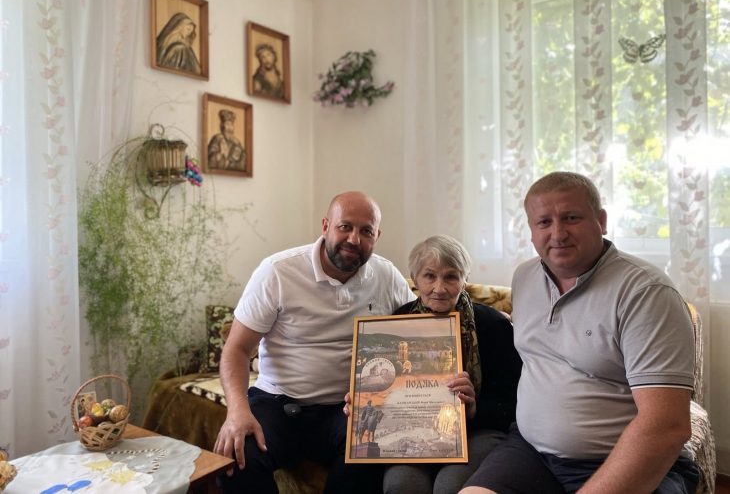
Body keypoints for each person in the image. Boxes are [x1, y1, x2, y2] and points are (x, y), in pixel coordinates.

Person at [461, 172, 699, 494]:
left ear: (601, 221)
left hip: (620, 459)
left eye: (571, 218)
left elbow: (666, 426)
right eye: (544, 222)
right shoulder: (525, 277)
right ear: (531, 230)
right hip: (530, 451)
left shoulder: (646, 293)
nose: (558, 234)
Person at [214, 191, 415, 494]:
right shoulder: (278, 272)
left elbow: (419, 333)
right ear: (325, 226)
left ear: (377, 236)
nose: (354, 239)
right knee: (237, 456)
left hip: (347, 408)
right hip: (278, 403)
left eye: (366, 231)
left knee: (372, 451)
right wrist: (237, 411)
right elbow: (237, 350)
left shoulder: (386, 276)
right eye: (345, 226)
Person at [382, 235, 522, 494]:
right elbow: (387, 387)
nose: (440, 288)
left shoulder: (494, 325)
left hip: (478, 430)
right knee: (402, 483)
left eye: (451, 277)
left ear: (464, 279)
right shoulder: (396, 323)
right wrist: (366, 398)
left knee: (450, 485)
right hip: (414, 429)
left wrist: (475, 408)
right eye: (429, 276)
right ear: (414, 278)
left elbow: (515, 402)